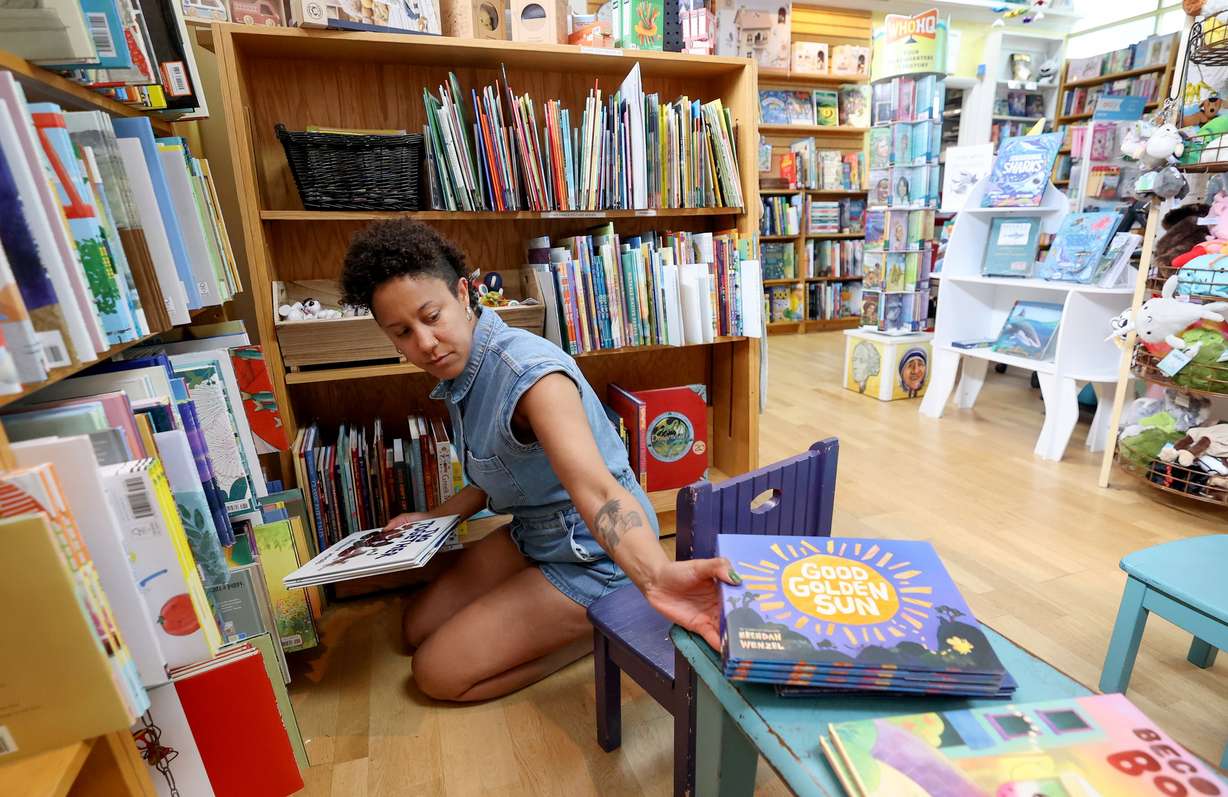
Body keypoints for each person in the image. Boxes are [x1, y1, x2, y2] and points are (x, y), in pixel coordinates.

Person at [340, 219, 740, 703]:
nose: (424, 343)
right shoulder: (461, 366)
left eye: (431, 316)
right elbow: (495, 474)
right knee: (415, 627)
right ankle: (567, 618)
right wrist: (432, 518)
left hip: (594, 556)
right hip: (535, 532)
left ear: (464, 295)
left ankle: (600, 631)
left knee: (435, 674)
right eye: (402, 332)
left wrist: (655, 576)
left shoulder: (529, 374)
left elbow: (599, 489)